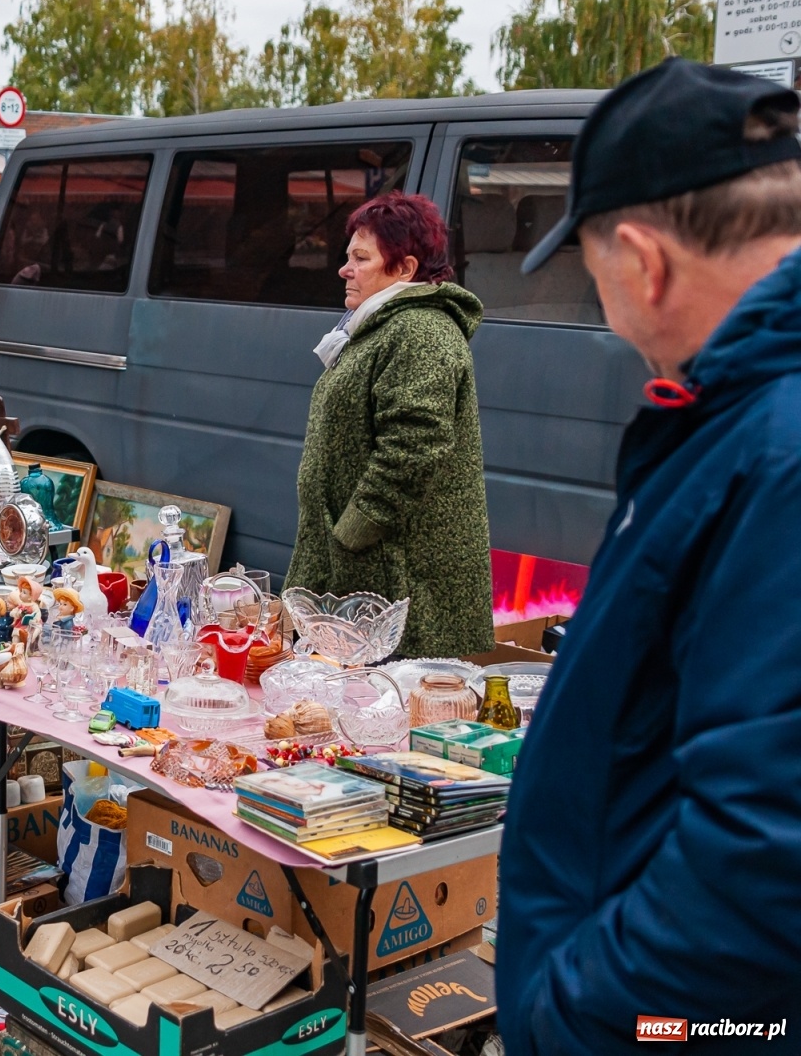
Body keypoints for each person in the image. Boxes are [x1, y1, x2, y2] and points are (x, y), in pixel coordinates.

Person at [499, 59, 801, 1055]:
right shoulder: (738, 418)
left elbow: (761, 860)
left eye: (589, 268)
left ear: (642, 262)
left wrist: (566, 1014)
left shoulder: (775, 447)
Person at [284, 191, 492, 658]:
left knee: (386, 715)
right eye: (348, 256)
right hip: (368, 568)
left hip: (396, 573)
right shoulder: (382, 326)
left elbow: (415, 446)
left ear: (404, 269)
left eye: (361, 258)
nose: (345, 268)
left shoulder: (421, 331)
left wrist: (353, 531)